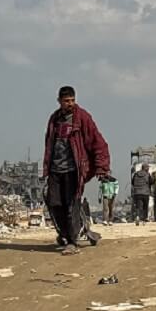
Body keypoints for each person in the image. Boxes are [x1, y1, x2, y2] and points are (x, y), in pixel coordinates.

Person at [43, 86, 111, 255]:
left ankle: (72, 242)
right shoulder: (54, 119)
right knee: (55, 204)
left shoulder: (82, 118)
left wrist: (102, 167)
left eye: (72, 100)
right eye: (66, 101)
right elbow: (49, 144)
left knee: (72, 205)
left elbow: (98, 142)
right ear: (59, 101)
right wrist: (46, 169)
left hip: (74, 170)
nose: (70, 104)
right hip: (55, 170)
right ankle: (68, 233)